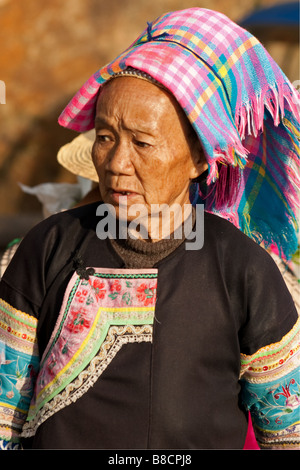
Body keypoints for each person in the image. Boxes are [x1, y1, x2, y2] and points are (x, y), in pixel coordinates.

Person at [0, 8, 299, 450]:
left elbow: (288, 432)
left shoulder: (245, 270)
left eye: (142, 142)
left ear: (200, 159)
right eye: (105, 137)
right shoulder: (46, 249)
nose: (117, 164)